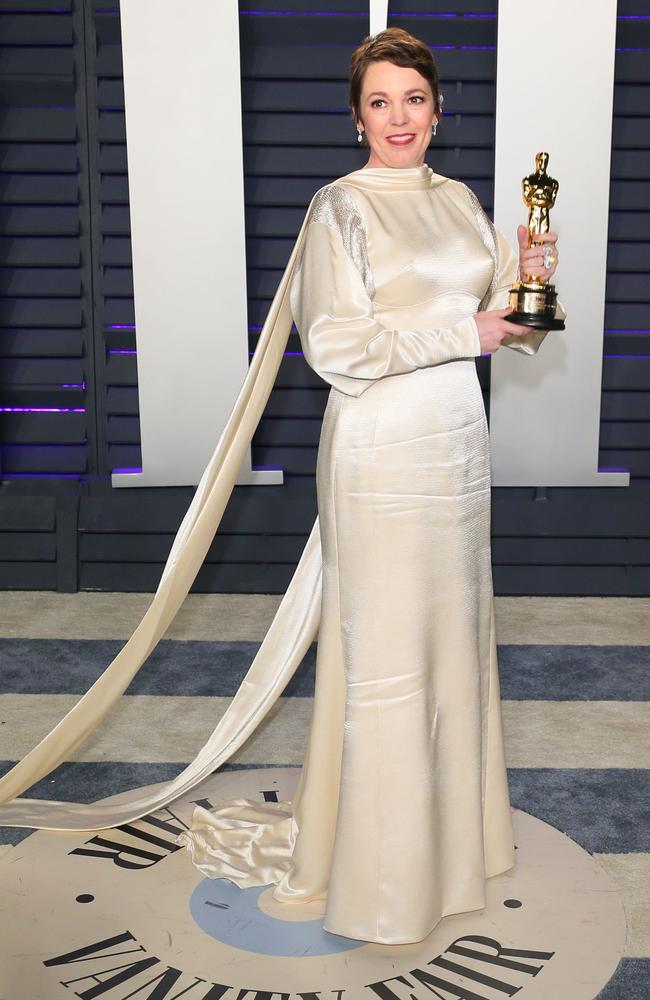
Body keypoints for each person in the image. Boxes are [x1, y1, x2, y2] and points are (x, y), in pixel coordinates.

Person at [0, 27, 564, 946]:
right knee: (384, 659)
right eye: (379, 103)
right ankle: (382, 879)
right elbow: (341, 349)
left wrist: (530, 294)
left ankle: (454, 846)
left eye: (413, 100)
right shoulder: (338, 208)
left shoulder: (462, 202)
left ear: (438, 110)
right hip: (380, 455)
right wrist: (469, 334)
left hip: (458, 447)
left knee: (454, 639)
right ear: (356, 119)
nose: (398, 119)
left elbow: (512, 326)